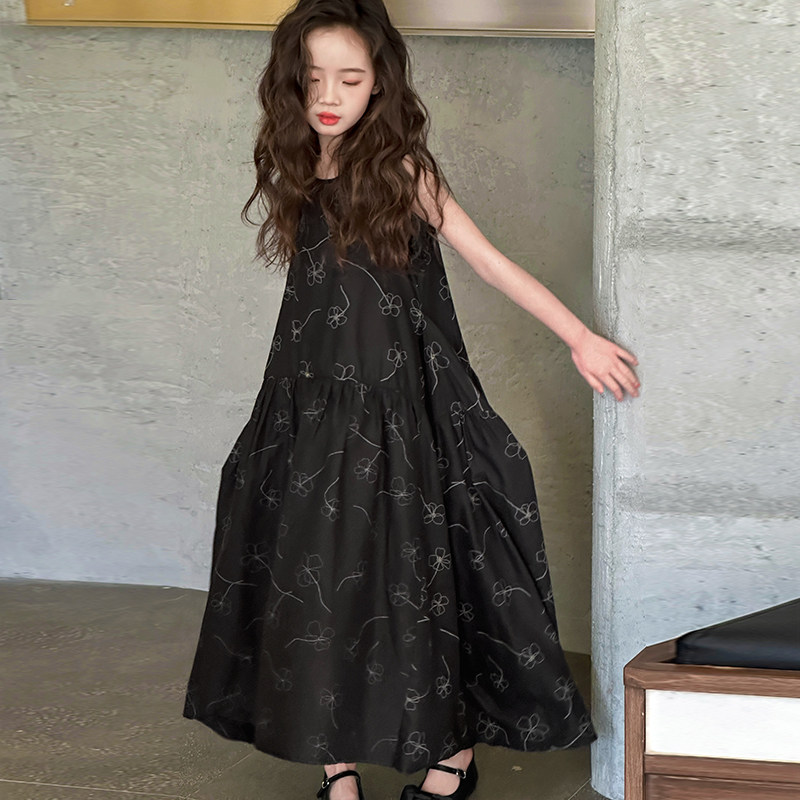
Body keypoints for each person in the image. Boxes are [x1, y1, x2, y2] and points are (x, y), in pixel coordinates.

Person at [182, 1, 640, 799]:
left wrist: (579, 337)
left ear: (379, 85)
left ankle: (450, 759)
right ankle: (339, 771)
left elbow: (487, 261)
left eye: (350, 78)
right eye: (313, 77)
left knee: (412, 579)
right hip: (310, 410)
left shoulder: (401, 169)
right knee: (316, 579)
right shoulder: (298, 166)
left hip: (399, 409)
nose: (329, 95)